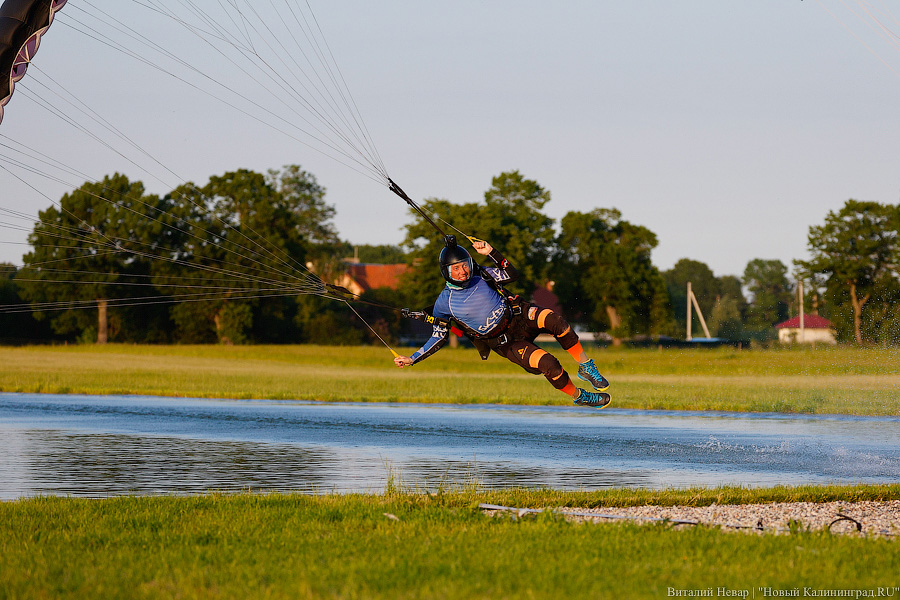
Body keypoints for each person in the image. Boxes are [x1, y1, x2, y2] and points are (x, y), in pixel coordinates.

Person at [394, 238, 611, 407]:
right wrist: (412, 359)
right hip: (506, 342)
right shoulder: (444, 303)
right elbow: (438, 337)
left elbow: (511, 274)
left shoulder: (482, 274)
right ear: (446, 272)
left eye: (464, 265)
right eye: (456, 269)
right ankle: (580, 395)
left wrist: (491, 252)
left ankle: (585, 366)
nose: (463, 272)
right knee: (549, 365)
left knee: (556, 321)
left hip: (519, 315)